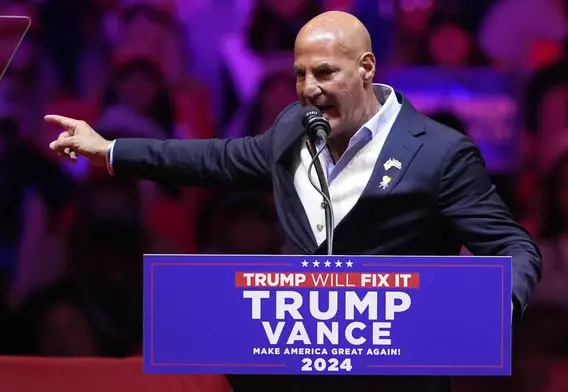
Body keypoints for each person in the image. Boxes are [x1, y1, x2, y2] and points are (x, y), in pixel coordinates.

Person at [46, 11, 542, 392]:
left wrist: (494, 307)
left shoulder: (438, 153)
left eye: (324, 73)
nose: (308, 89)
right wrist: (111, 150)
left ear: (366, 67)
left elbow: (514, 247)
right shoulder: (292, 128)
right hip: (289, 376)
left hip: (397, 381)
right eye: (300, 75)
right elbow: (218, 160)